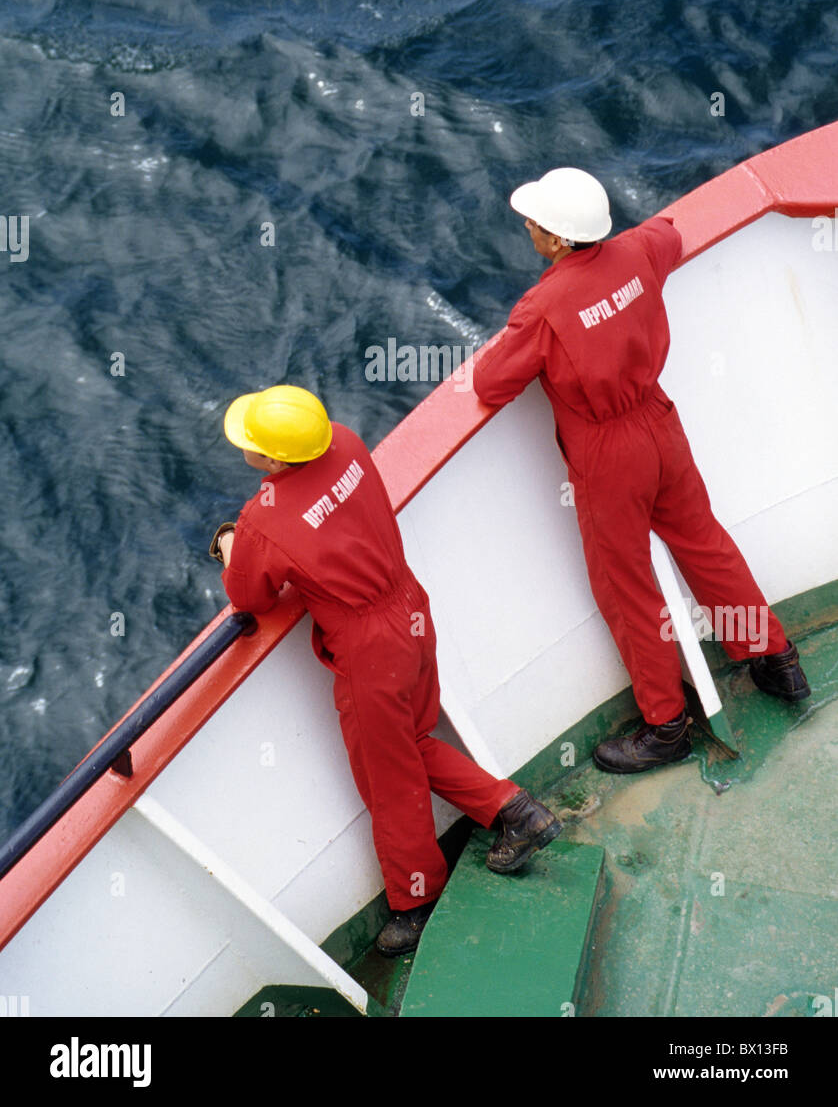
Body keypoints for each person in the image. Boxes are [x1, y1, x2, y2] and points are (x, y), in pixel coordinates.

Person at [472, 167, 810, 774]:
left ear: (556, 241)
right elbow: (672, 233)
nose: (527, 227)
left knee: (627, 588)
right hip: (659, 422)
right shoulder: (638, 251)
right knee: (705, 543)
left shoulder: (543, 307)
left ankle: (667, 726)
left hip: (607, 453)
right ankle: (775, 659)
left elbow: (490, 382)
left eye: (537, 223)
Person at [212, 384, 561, 955]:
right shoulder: (346, 444)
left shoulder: (261, 521)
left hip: (368, 648)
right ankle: (516, 813)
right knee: (411, 742)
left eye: (250, 442)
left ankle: (415, 901)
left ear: (275, 459)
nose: (244, 448)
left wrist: (232, 544)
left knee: (387, 780)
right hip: (410, 609)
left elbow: (251, 597)